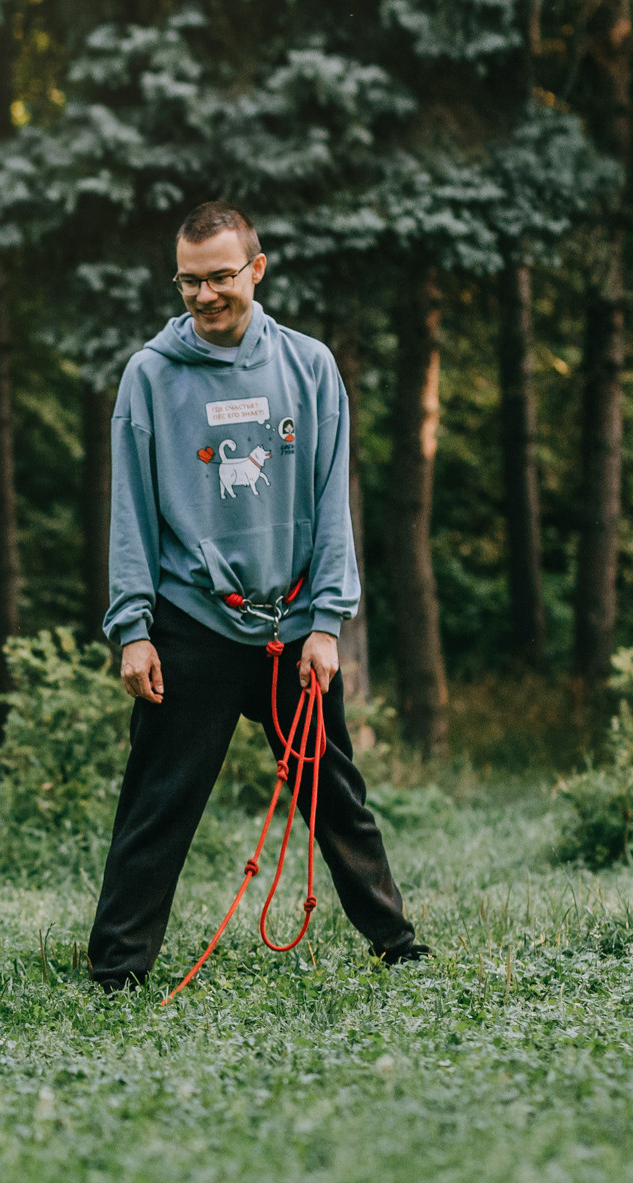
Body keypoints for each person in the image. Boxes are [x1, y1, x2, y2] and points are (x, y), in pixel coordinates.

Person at [89, 201, 431, 991]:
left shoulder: (310, 366)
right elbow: (131, 511)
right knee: (158, 802)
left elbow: (329, 500)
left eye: (220, 277)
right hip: (192, 624)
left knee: (334, 791)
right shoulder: (150, 374)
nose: (205, 295)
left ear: (257, 269)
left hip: (292, 627)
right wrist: (133, 628)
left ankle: (396, 940)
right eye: (189, 281)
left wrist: (327, 623)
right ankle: (117, 968)